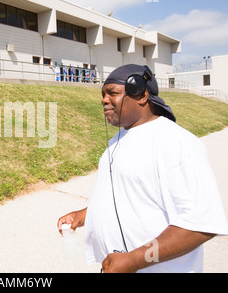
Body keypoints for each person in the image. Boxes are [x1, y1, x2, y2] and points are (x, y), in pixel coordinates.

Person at [57, 64, 228, 273]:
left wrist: (135, 260)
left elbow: (199, 225)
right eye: (103, 94)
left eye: (112, 93)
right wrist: (83, 215)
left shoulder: (175, 142)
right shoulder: (118, 139)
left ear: (142, 95)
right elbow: (127, 196)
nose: (103, 100)